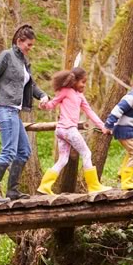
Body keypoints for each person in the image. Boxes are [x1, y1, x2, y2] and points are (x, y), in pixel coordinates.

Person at [0, 24, 49, 203]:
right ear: (19, 41)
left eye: (32, 45)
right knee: (8, 150)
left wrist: (42, 95)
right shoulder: (7, 56)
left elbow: (30, 85)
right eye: (29, 45)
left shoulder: (24, 62)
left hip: (14, 112)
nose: (31, 48)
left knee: (24, 151)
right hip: (4, 108)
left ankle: (12, 190)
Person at [37, 67, 112, 195]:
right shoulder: (66, 91)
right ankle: (93, 186)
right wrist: (43, 104)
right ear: (74, 81)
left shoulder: (80, 96)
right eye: (82, 81)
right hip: (68, 130)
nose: (84, 84)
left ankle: (45, 186)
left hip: (60, 131)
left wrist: (102, 126)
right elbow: (51, 105)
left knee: (63, 159)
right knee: (86, 154)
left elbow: (89, 111)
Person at [104, 76, 133, 190]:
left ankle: (123, 172)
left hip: (130, 130)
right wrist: (108, 125)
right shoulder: (132, 97)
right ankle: (126, 181)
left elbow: (132, 116)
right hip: (124, 130)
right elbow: (117, 110)